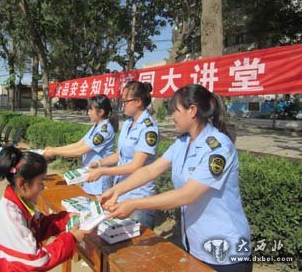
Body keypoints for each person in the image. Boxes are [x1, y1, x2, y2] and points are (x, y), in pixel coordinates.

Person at [100, 84, 252, 272]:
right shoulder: (182, 143)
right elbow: (150, 171)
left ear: (192, 111)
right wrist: (117, 190)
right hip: (195, 242)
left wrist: (134, 203)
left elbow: (187, 195)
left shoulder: (219, 147)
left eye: (176, 111)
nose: (172, 116)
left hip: (225, 250)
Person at [0, 146, 90, 271]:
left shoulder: (20, 202)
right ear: (22, 184)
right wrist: (70, 238)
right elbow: (36, 260)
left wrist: (64, 218)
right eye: (40, 183)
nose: (43, 187)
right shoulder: (11, 216)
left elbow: (40, 225)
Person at [86, 81, 159, 229]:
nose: (122, 105)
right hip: (121, 191)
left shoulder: (148, 128)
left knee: (137, 245)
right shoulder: (127, 123)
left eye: (125, 101)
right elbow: (120, 155)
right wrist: (100, 163)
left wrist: (103, 171)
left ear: (138, 102)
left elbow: (135, 166)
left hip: (139, 195)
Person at [43, 94, 118, 196]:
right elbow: (78, 144)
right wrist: (54, 149)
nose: (88, 113)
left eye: (91, 110)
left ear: (101, 112)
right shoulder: (96, 127)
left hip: (99, 180)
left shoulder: (104, 131)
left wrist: (54, 152)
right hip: (90, 175)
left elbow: (80, 151)